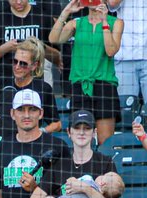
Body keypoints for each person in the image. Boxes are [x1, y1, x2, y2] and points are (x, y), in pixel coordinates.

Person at [50, 0, 122, 146]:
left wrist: (104, 22)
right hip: (80, 85)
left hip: (105, 85)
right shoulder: (77, 23)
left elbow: (111, 50)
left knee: (105, 142)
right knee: (81, 139)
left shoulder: (117, 22)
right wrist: (66, 11)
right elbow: (54, 39)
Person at [0, 38, 59, 134]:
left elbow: (57, 124)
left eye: (23, 63)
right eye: (15, 61)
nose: (17, 67)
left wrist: (38, 132)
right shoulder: (2, 84)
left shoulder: (43, 89)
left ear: (34, 65)